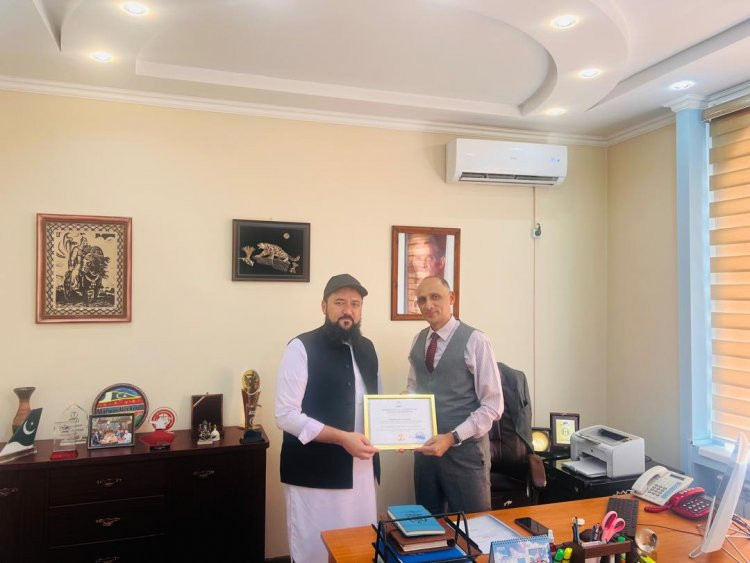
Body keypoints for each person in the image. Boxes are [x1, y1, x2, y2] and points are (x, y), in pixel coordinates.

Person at [276, 273, 381, 562]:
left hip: (361, 470)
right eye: (340, 302)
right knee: (316, 550)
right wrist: (342, 438)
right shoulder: (301, 347)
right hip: (314, 474)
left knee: (359, 548)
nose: (348, 310)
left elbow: (377, 404)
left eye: (355, 304)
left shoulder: (368, 348)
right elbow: (285, 415)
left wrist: (395, 435)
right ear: (324, 306)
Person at [407, 275, 503, 514]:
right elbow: (413, 390)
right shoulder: (418, 341)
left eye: (435, 297)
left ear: (451, 298)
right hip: (426, 457)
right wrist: (403, 430)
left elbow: (493, 405)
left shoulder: (476, 340)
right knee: (428, 527)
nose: (428, 305)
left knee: (475, 527)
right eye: (422, 300)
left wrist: (452, 437)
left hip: (465, 457)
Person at [407, 234, 447, 313]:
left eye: (429, 258)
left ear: (441, 263)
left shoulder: (445, 297)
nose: (423, 264)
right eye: (418, 258)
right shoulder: (405, 295)